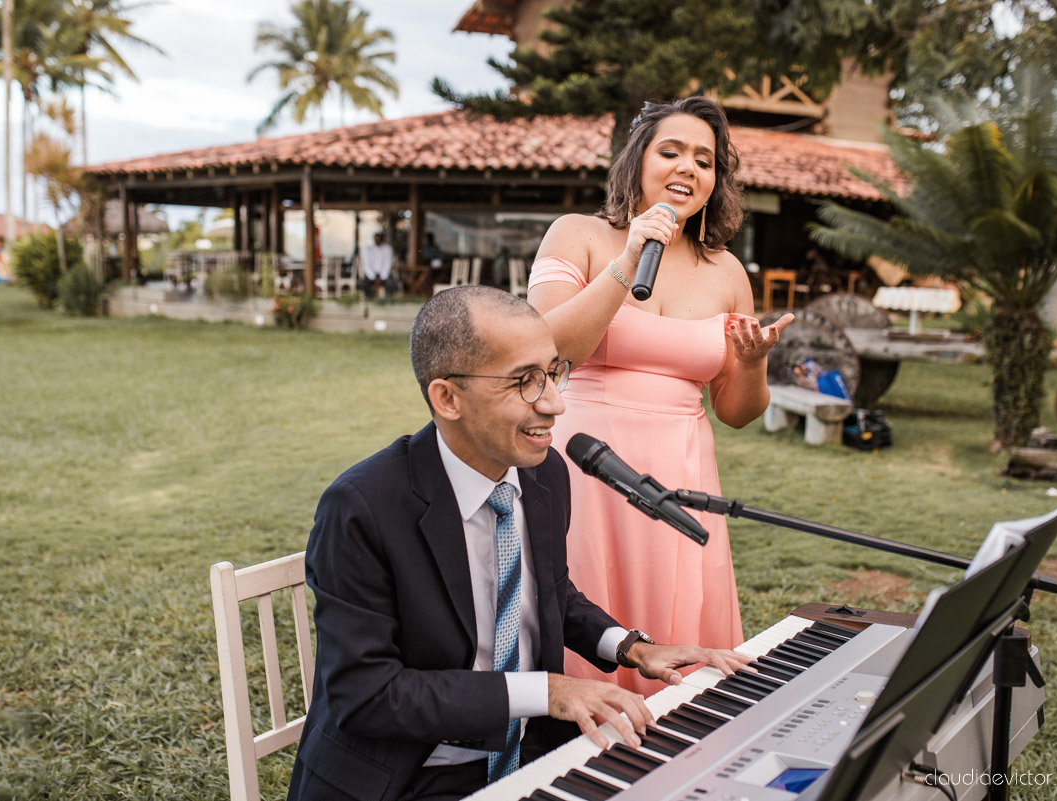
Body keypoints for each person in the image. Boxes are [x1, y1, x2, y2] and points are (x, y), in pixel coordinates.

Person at [286, 286, 750, 801]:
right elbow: (366, 694)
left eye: (553, 372)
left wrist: (632, 647)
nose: (555, 403)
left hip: (531, 752)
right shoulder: (361, 506)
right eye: (524, 381)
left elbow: (550, 592)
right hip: (406, 775)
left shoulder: (545, 473)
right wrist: (546, 691)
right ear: (447, 398)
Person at [528, 97, 794, 695]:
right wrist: (627, 260)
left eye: (704, 160)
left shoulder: (728, 271)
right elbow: (547, 348)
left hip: (683, 468)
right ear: (637, 161)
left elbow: (736, 412)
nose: (687, 167)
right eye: (670, 151)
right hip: (586, 461)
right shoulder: (578, 235)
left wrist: (754, 364)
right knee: (584, 598)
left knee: (679, 618)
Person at [361, 231, 396, 299]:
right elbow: (366, 264)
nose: (378, 240)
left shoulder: (388, 248)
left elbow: (388, 263)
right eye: (376, 238)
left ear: (382, 239)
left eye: (379, 238)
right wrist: (373, 277)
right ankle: (368, 299)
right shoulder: (368, 249)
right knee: (364, 284)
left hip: (384, 274)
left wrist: (382, 277)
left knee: (391, 284)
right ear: (374, 239)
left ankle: (388, 299)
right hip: (371, 273)